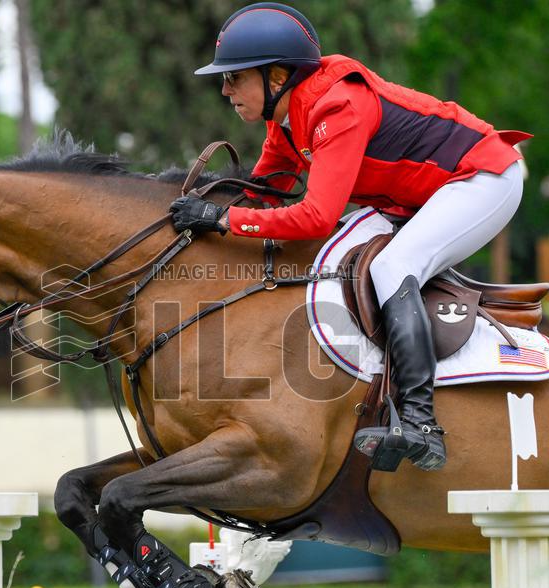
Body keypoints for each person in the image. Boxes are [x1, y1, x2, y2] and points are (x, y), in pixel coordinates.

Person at [169, 3, 530, 472]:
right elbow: (262, 198)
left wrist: (221, 218)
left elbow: (316, 217)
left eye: (234, 77)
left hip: (483, 178)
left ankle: (421, 424)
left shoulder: (336, 105)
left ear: (276, 77)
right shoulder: (286, 118)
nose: (224, 89)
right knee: (341, 259)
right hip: (425, 196)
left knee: (390, 267)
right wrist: (197, 206)